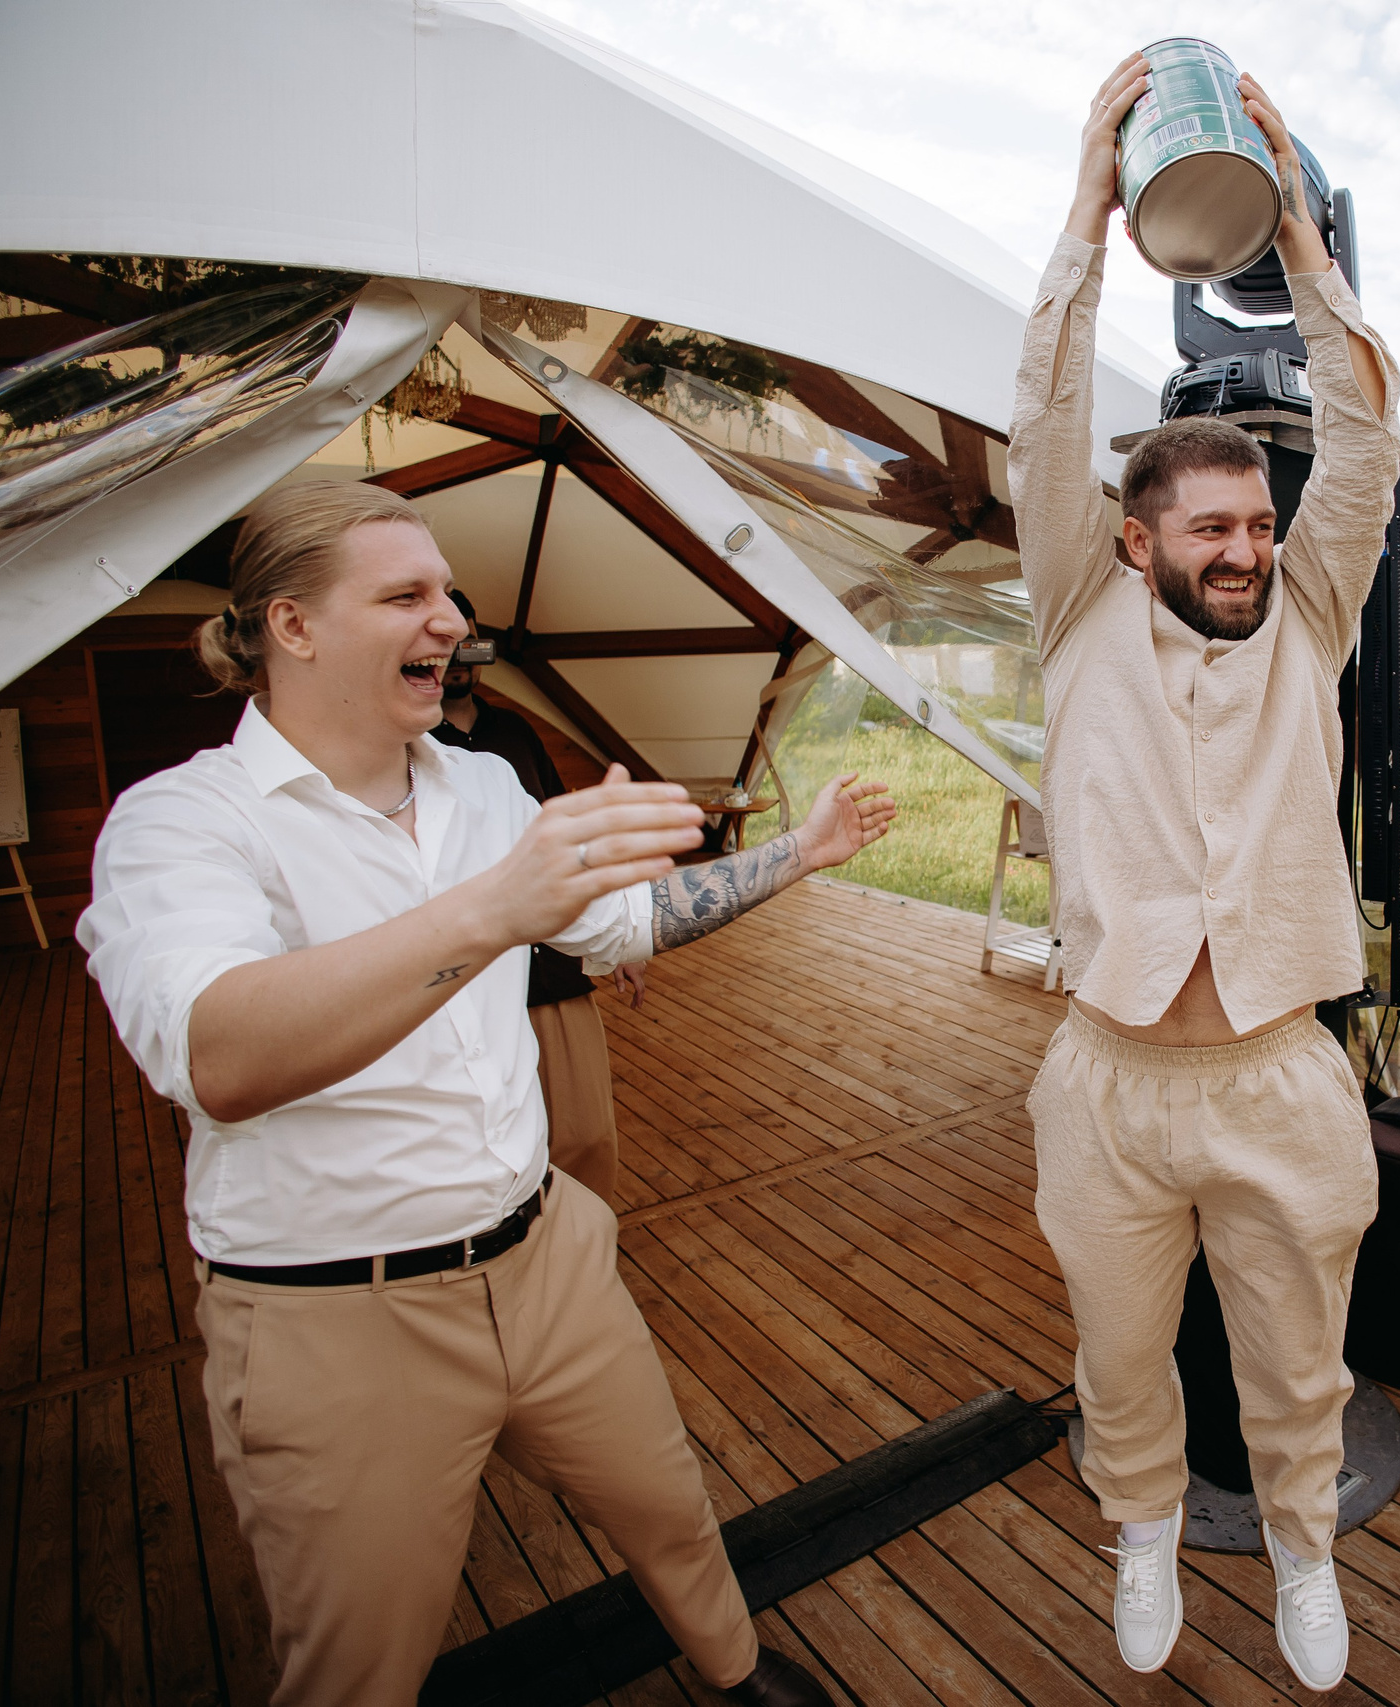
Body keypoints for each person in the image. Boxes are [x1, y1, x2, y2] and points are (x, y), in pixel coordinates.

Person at [78, 481, 895, 1707]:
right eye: (405, 595)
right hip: (338, 1317)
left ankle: (732, 1671)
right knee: (357, 1660)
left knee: (669, 1504)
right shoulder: (181, 824)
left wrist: (801, 850)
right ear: (292, 627)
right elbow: (220, 1057)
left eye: (448, 591)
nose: (451, 618)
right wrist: (486, 911)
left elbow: (623, 925)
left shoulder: (480, 790)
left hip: (546, 1255)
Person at [1009, 52, 1400, 1692]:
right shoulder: (1077, 615)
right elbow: (1042, 404)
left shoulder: (1310, 617)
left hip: (1278, 1075)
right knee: (1119, 1363)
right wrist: (1093, 202)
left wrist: (1300, 230)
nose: (1244, 547)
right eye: (1210, 529)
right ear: (1136, 540)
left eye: (1257, 521)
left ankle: (1304, 1554)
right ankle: (1147, 1530)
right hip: (1104, 1079)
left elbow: (1366, 420)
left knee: (1295, 1367)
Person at [428, 587, 638, 1204]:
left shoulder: (512, 732)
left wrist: (620, 934)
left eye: (471, 643)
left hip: (550, 976)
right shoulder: (406, 745)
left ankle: (582, 1263)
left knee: (586, 1137)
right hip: (467, 982)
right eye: (447, 644)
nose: (459, 657)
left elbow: (563, 839)